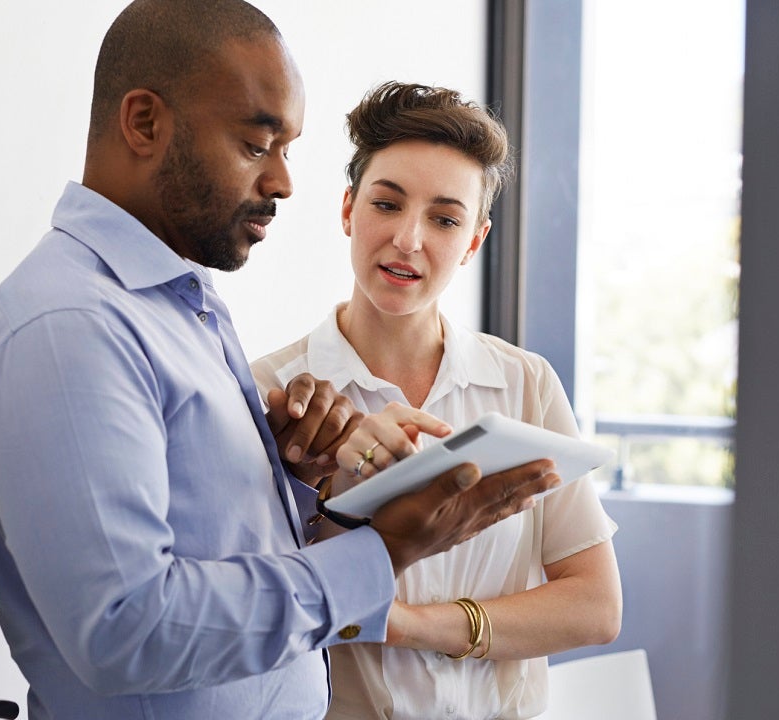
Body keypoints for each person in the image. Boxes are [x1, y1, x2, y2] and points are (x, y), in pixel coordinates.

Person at [0, 2, 561, 718]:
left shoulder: (181, 304)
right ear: (144, 123)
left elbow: (205, 549)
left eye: (287, 150)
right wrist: (382, 555)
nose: (282, 182)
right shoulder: (67, 330)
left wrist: (292, 479)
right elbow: (126, 630)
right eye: (254, 145)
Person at [251, 82, 624, 719]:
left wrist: (414, 625)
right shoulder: (273, 392)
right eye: (387, 204)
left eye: (444, 219)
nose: (408, 239)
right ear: (348, 210)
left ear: (474, 240)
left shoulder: (524, 385)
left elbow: (594, 606)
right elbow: (251, 608)